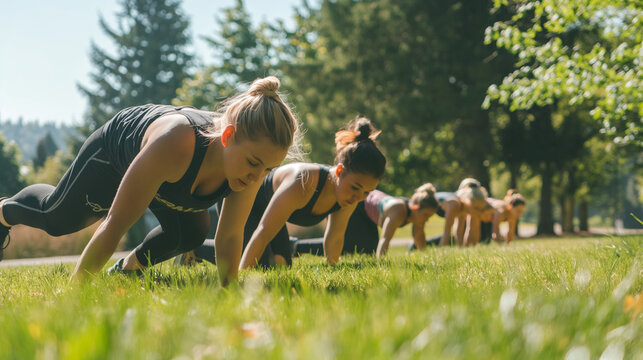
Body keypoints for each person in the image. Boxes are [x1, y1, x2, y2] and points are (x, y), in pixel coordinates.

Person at [0, 76, 300, 286]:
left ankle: (128, 269)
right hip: (117, 154)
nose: (257, 177)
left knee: (190, 235)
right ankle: (5, 211)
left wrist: (228, 292)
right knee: (57, 220)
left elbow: (230, 235)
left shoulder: (246, 169)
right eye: (254, 164)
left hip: (167, 174)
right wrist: (75, 294)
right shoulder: (176, 143)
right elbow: (116, 224)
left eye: (267, 170)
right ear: (228, 136)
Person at [178, 118, 386, 268]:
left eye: (367, 192)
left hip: (268, 214)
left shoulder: (347, 197)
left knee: (281, 265)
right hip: (246, 195)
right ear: (339, 171)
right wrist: (240, 280)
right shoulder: (304, 182)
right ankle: (194, 250)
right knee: (262, 264)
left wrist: (333, 268)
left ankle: (200, 252)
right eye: (356, 188)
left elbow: (334, 238)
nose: (358, 197)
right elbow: (264, 231)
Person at [292, 183, 439, 258]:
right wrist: (381, 265)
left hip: (369, 215)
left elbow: (419, 239)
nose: (426, 220)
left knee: (367, 250)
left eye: (429, 217)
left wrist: (425, 257)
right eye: (426, 215)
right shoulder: (397, 211)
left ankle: (295, 246)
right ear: (415, 207)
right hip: (358, 206)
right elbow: (385, 240)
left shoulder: (415, 216)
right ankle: (296, 246)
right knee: (346, 245)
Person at [433, 178, 489, 247]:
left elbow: (459, 230)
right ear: (467, 201)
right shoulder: (454, 204)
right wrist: (442, 250)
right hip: (427, 205)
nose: (477, 211)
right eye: (476, 208)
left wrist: (462, 247)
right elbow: (447, 231)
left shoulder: (464, 208)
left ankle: (463, 247)